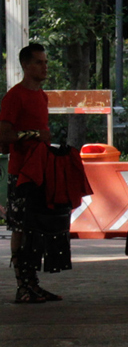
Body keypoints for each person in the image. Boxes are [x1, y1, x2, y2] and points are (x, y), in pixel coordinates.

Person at [2, 43, 68, 303]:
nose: (45, 67)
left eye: (45, 62)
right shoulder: (14, 96)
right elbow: (4, 135)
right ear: (26, 66)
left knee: (35, 228)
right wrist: (32, 135)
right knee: (21, 226)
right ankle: (23, 286)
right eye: (39, 62)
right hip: (21, 172)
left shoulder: (41, 96)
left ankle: (33, 283)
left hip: (40, 170)